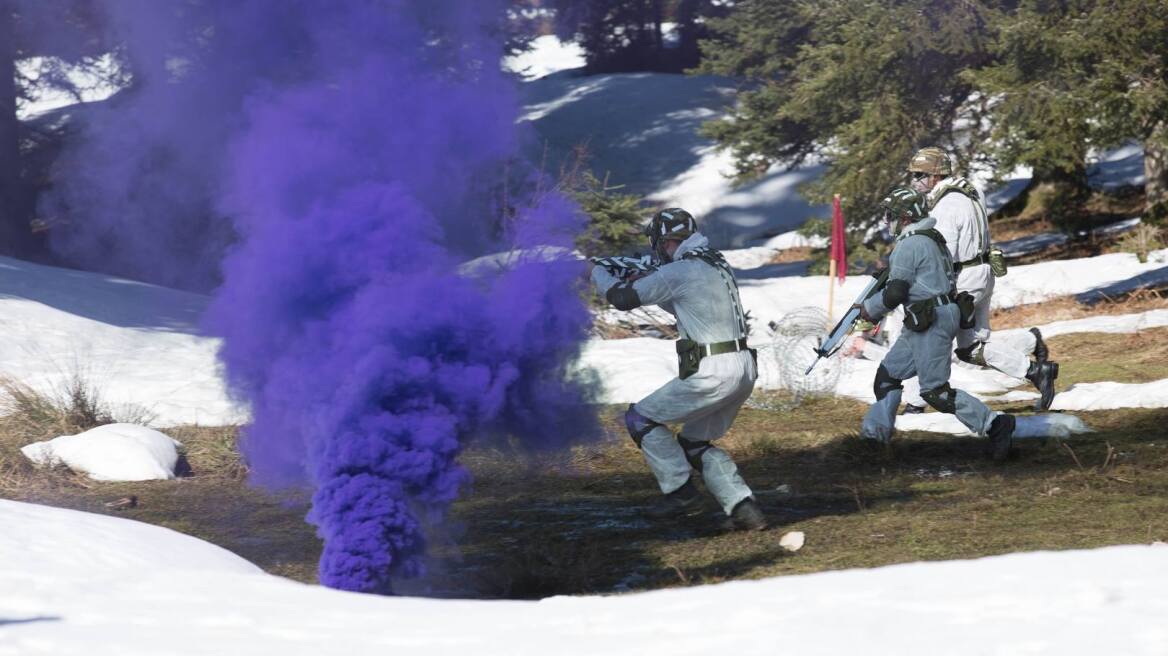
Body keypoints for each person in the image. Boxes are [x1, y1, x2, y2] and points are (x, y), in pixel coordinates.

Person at [591, 208, 767, 531]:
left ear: (665, 241)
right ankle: (744, 508)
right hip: (743, 367)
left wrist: (600, 273)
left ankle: (680, 491)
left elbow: (622, 299)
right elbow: (680, 299)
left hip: (715, 370)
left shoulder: (683, 269)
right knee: (695, 443)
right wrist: (644, 277)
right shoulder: (715, 261)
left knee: (640, 418)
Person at [856, 188, 1016, 459]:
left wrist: (869, 309)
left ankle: (996, 425)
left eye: (891, 215)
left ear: (904, 217)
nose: (888, 221)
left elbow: (896, 293)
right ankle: (875, 438)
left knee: (936, 392)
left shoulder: (910, 244)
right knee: (888, 377)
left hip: (931, 322)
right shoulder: (931, 237)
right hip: (925, 319)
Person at [902, 147, 1058, 413]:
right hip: (984, 274)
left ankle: (915, 405)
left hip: (963, 279)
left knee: (931, 337)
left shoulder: (945, 206)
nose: (914, 180)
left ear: (935, 175)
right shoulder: (971, 191)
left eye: (920, 174)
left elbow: (943, 253)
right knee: (971, 347)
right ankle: (1035, 371)